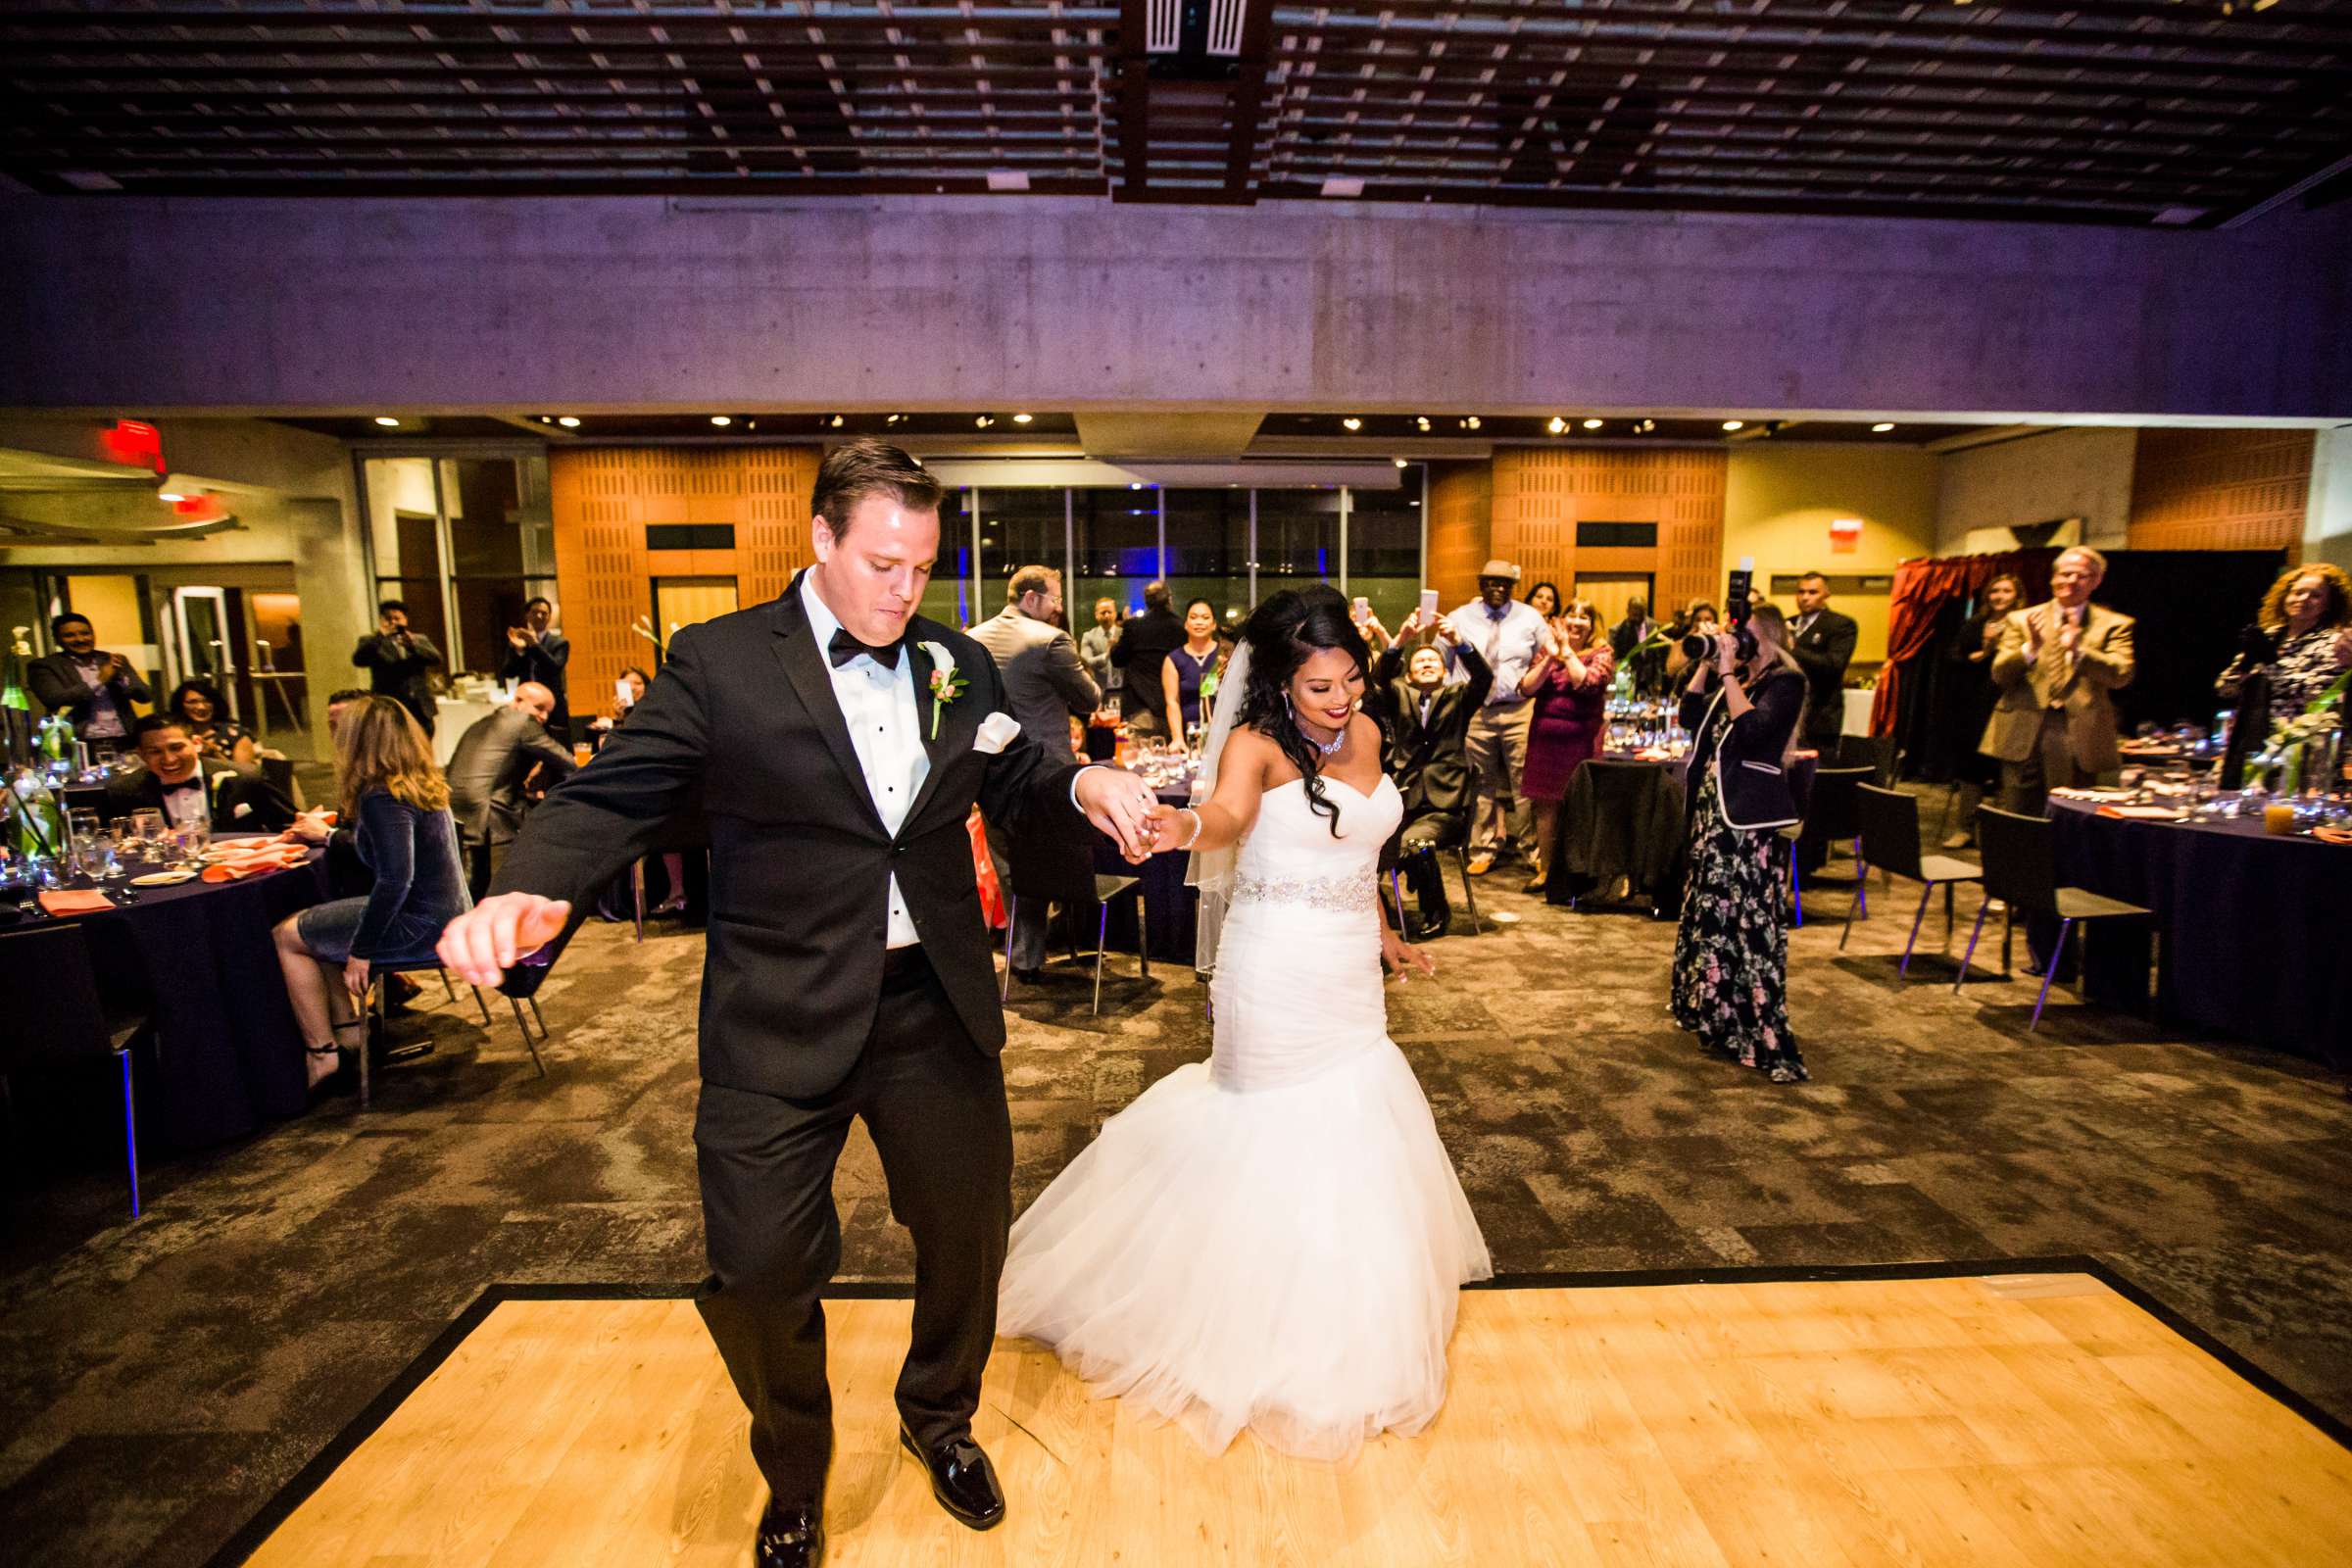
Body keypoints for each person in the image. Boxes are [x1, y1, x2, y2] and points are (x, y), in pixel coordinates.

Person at [435, 439, 1159, 1568]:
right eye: (880, 562)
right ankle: (794, 1468)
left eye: (920, 567)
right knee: (762, 1264)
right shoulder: (722, 663)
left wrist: (1081, 778)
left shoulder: (955, 660)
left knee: (966, 1234)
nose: (901, 590)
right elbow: (613, 795)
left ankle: (940, 1418)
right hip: (777, 1013)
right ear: (820, 538)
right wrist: (527, 886)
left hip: (929, 1002)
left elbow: (1007, 766)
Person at [1001, 588, 1492, 1462]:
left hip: (1346, 974)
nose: (1340, 701)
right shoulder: (1252, 746)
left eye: (1348, 680)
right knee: (1266, 1129)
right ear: (1277, 683)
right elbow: (1223, 819)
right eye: (1318, 687)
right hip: (1272, 970)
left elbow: (1361, 850)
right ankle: (1241, 1325)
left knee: (1351, 1136)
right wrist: (1176, 822)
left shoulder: (1369, 734)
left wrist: (1382, 932)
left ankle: (1335, 1315)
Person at [271, 696, 468, 1092]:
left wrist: (362, 950)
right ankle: (348, 1033)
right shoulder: (418, 782)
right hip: (447, 915)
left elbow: (396, 879)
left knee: (287, 936)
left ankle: (322, 1053)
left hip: (421, 924)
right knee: (315, 926)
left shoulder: (382, 796)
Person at [1672, 604, 1809, 1083]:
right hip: (1716, 820)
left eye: (1746, 638)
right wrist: (1708, 667)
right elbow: (1690, 715)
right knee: (1716, 919)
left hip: (1749, 824)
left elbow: (1753, 733)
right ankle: (1719, 1018)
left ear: (1769, 638)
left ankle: (1755, 1027)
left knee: (1746, 923)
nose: (1739, 645)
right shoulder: (1743, 681)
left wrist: (1729, 671)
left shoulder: (1785, 683)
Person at [970, 564, 1102, 982]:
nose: (1058, 606)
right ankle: (1064, 941)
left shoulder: (973, 639)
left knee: (1010, 863)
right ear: (1032, 599)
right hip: (1046, 773)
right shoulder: (1051, 641)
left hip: (991, 770)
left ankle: (1023, 954)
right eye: (1055, 598)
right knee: (1054, 861)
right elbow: (1090, 697)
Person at [1982, 546, 2135, 817]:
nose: (2071, 581)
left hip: (2078, 731)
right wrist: (2031, 648)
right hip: (2024, 727)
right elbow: (2000, 674)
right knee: (2018, 815)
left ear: (2096, 581)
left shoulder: (2113, 624)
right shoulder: (2021, 620)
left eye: (2082, 575)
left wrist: (2080, 653)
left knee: (2067, 818)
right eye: (2065, 574)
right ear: (2053, 578)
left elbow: (2121, 675)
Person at [1370, 607, 1490, 940]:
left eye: (1433, 661)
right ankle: (1381, 909)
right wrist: (1400, 642)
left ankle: (1437, 911)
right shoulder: (1398, 696)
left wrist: (1459, 642)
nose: (1426, 663)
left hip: (1445, 805)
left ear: (1446, 672)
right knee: (1364, 843)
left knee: (1415, 843)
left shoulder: (1458, 697)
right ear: (1408, 674)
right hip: (1402, 799)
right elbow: (1375, 682)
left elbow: (1484, 679)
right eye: (1419, 661)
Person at [1446, 560, 1555, 876]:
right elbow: (1443, 659)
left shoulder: (1530, 617)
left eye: (1505, 584)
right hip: (1477, 712)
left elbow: (1548, 656)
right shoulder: (1460, 618)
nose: (1498, 588)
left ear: (1512, 587)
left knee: (1525, 784)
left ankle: (1533, 850)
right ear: (1481, 584)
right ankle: (1483, 849)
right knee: (1482, 783)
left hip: (1520, 709)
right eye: (1492, 582)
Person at [444, 680, 579, 900]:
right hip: (490, 811)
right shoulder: (521, 721)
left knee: (473, 885)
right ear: (518, 701)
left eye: (548, 712)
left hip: (455, 809)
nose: (544, 717)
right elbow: (566, 762)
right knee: (549, 825)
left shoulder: (483, 722)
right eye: (539, 708)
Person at [1518, 596, 1616, 894]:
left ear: (1592, 624)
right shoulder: (1546, 652)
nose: (1576, 621)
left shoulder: (1602, 652)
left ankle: (1577, 871)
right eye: (1571, 615)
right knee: (1545, 807)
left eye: (1584, 617)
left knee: (1578, 806)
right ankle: (1546, 870)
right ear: (1561, 621)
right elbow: (1527, 687)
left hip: (1580, 740)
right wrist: (1550, 657)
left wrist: (1567, 653)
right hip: (1544, 740)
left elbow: (1584, 682)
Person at [2216, 563, 2352, 748]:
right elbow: (2225, 689)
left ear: (2328, 605)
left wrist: (2273, 666)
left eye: (2315, 596)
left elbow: (2315, 697)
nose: (2303, 599)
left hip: (2299, 748)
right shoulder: (2270, 636)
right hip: (2252, 743)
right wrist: (2245, 666)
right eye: (2298, 592)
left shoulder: (2334, 643)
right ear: (2285, 597)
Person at [105, 713, 296, 834]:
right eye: (155, 752)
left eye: (176, 748)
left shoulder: (246, 778)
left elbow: (291, 826)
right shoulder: (124, 791)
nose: (169, 759)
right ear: (141, 754)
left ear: (196, 743)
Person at [1940, 573, 2022, 849]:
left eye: (2006, 591)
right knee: (1970, 768)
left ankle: (1999, 832)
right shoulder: (1975, 624)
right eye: (1994, 591)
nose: (1999, 596)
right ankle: (1965, 828)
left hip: (2009, 705)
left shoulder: (2024, 625)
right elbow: (1953, 656)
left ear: (2017, 595)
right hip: (1973, 705)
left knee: (2005, 773)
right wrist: (1978, 654)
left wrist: (1995, 649)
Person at [26, 612, 151, 756]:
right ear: (57, 640)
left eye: (85, 633)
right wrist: (99, 680)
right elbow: (54, 699)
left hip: (125, 741)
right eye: (70, 635)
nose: (80, 639)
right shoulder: (44, 666)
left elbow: (145, 696)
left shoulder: (113, 660)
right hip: (80, 744)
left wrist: (122, 678)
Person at [351, 600, 445, 738]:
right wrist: (380, 637)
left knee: (424, 745)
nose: (393, 623)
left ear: (405, 620)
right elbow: (359, 660)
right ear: (381, 621)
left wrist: (413, 646)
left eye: (397, 618)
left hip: (419, 705)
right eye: (388, 619)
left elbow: (436, 659)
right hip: (389, 705)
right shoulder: (370, 641)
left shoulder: (419, 639)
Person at [1787, 572, 1858, 755]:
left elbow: (1834, 665)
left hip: (1821, 716)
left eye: (1812, 592)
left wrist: (1793, 648)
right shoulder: (1789, 623)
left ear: (1826, 594)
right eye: (1801, 592)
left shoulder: (1840, 624)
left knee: (1817, 775)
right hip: (1789, 711)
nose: (1805, 597)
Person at [1108, 580, 1184, 742]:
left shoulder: (1134, 627)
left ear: (1146, 601)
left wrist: (1114, 645)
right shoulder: (1181, 627)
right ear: (1170, 599)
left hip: (1140, 707)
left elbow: (1117, 659)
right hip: (1174, 708)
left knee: (1137, 764)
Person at [502, 596, 572, 741]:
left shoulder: (560, 643)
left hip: (553, 707)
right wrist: (519, 651)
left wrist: (534, 644)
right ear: (527, 615)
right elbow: (508, 672)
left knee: (556, 747)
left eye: (544, 613)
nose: (539, 616)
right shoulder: (518, 641)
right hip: (525, 706)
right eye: (534, 612)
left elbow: (554, 667)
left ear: (549, 617)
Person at [1162, 597, 1225, 748]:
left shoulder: (1223, 655)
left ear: (1214, 624)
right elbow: (1172, 702)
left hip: (1222, 733)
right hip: (1188, 735)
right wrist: (1177, 738)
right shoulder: (1173, 659)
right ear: (1185, 624)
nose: (1199, 622)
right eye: (1193, 617)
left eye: (1205, 618)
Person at [166, 677, 258, 768]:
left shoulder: (235, 735)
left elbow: (246, 776)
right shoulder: (174, 734)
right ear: (180, 705)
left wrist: (214, 754)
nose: (201, 707)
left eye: (207, 701)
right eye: (192, 702)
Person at [1078, 597, 1120, 699]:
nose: (1107, 615)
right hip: (1099, 690)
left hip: (1123, 688)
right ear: (1096, 615)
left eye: (1109, 612)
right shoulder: (1089, 636)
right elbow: (1086, 663)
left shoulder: (1124, 634)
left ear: (1115, 613)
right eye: (1103, 612)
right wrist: (1106, 655)